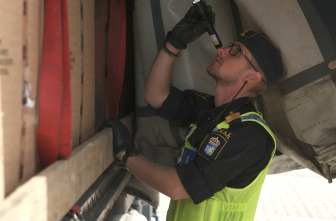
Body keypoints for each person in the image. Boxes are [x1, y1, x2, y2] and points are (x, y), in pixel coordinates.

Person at [101, 2, 283, 220]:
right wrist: (175, 42)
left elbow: (176, 187)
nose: (224, 50)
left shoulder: (250, 135)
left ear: (251, 77)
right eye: (230, 45)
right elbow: (155, 95)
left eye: (236, 51)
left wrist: (126, 154)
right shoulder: (211, 111)